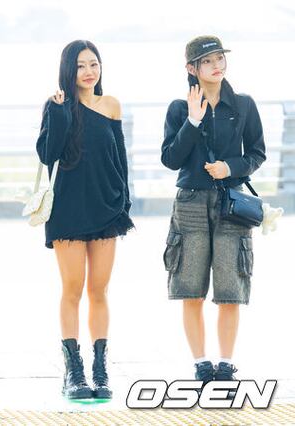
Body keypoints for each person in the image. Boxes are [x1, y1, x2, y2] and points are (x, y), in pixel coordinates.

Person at [161, 35, 265, 387]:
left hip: (230, 203)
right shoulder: (179, 108)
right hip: (190, 203)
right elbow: (170, 159)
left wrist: (230, 168)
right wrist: (192, 122)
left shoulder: (244, 105)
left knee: (230, 287)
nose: (216, 65)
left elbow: (257, 153)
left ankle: (226, 364)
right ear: (192, 69)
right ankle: (201, 363)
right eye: (207, 61)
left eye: (219, 58)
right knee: (190, 288)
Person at [36, 40, 133, 400]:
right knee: (73, 288)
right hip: (68, 209)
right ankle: (73, 371)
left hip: (107, 207)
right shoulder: (56, 105)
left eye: (94, 64)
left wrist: (124, 203)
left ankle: (100, 368)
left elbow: (120, 159)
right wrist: (61, 113)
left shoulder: (111, 105)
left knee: (99, 290)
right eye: (81, 66)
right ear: (68, 70)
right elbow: (47, 154)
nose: (89, 71)